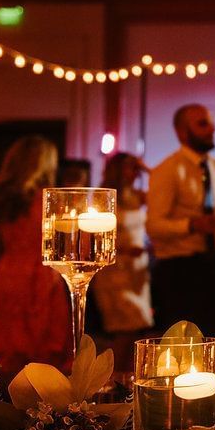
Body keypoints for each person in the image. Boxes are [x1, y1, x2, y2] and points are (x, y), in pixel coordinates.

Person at [146, 104, 215, 375]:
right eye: (203, 124)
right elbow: (154, 226)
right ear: (181, 132)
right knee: (183, 350)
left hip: (212, 265)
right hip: (179, 270)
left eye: (211, 123)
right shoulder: (167, 170)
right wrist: (192, 225)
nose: (212, 129)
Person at [0, 136, 72, 377]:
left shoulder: (7, 201)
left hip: (7, 273)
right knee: (41, 350)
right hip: (42, 276)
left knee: (1, 349)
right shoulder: (49, 201)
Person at [90, 153, 152, 370]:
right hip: (115, 268)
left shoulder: (139, 195)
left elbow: (163, 190)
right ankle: (108, 377)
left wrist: (147, 168)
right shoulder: (105, 197)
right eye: (130, 167)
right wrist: (124, 248)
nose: (134, 172)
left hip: (138, 269)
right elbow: (95, 237)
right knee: (124, 329)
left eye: (136, 168)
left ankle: (123, 379)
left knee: (135, 331)